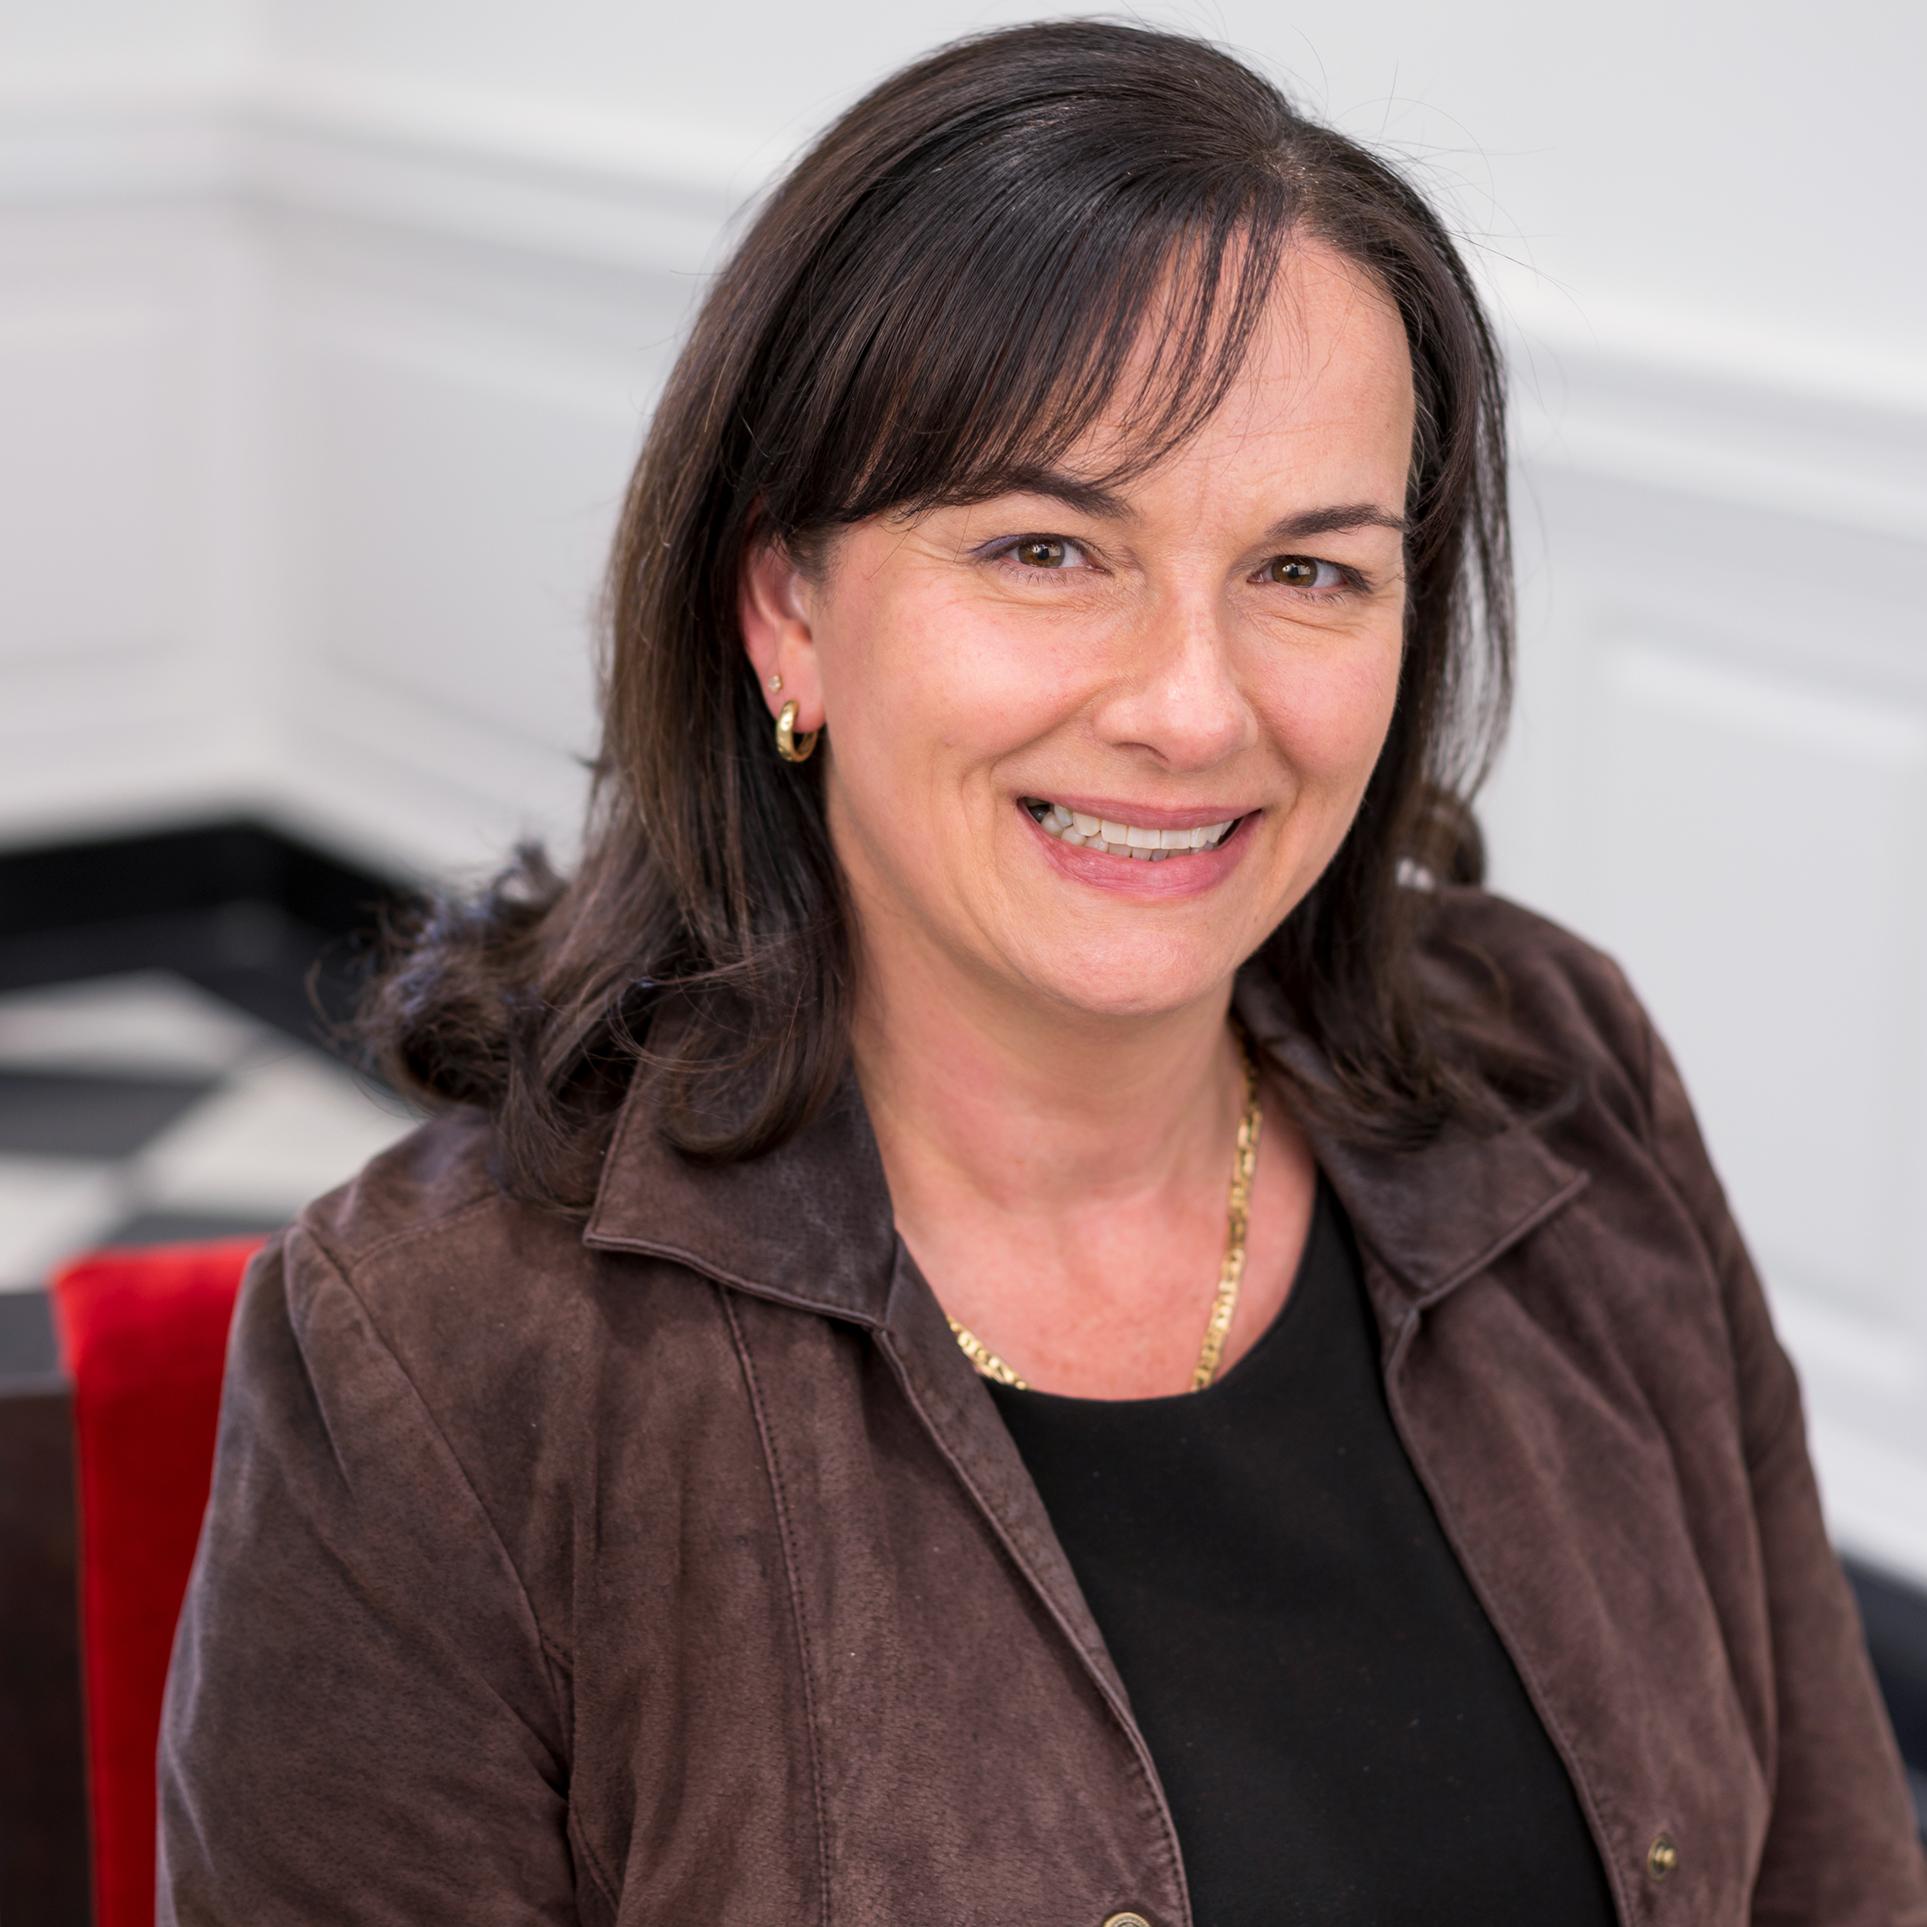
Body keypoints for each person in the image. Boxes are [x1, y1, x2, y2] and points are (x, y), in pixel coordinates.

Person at [155, 19, 1927, 1926]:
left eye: (1309, 572)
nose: (1192, 706)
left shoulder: (1558, 1072)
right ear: (787, 617)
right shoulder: (451, 1355)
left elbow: (1837, 1875)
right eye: (1046, 548)